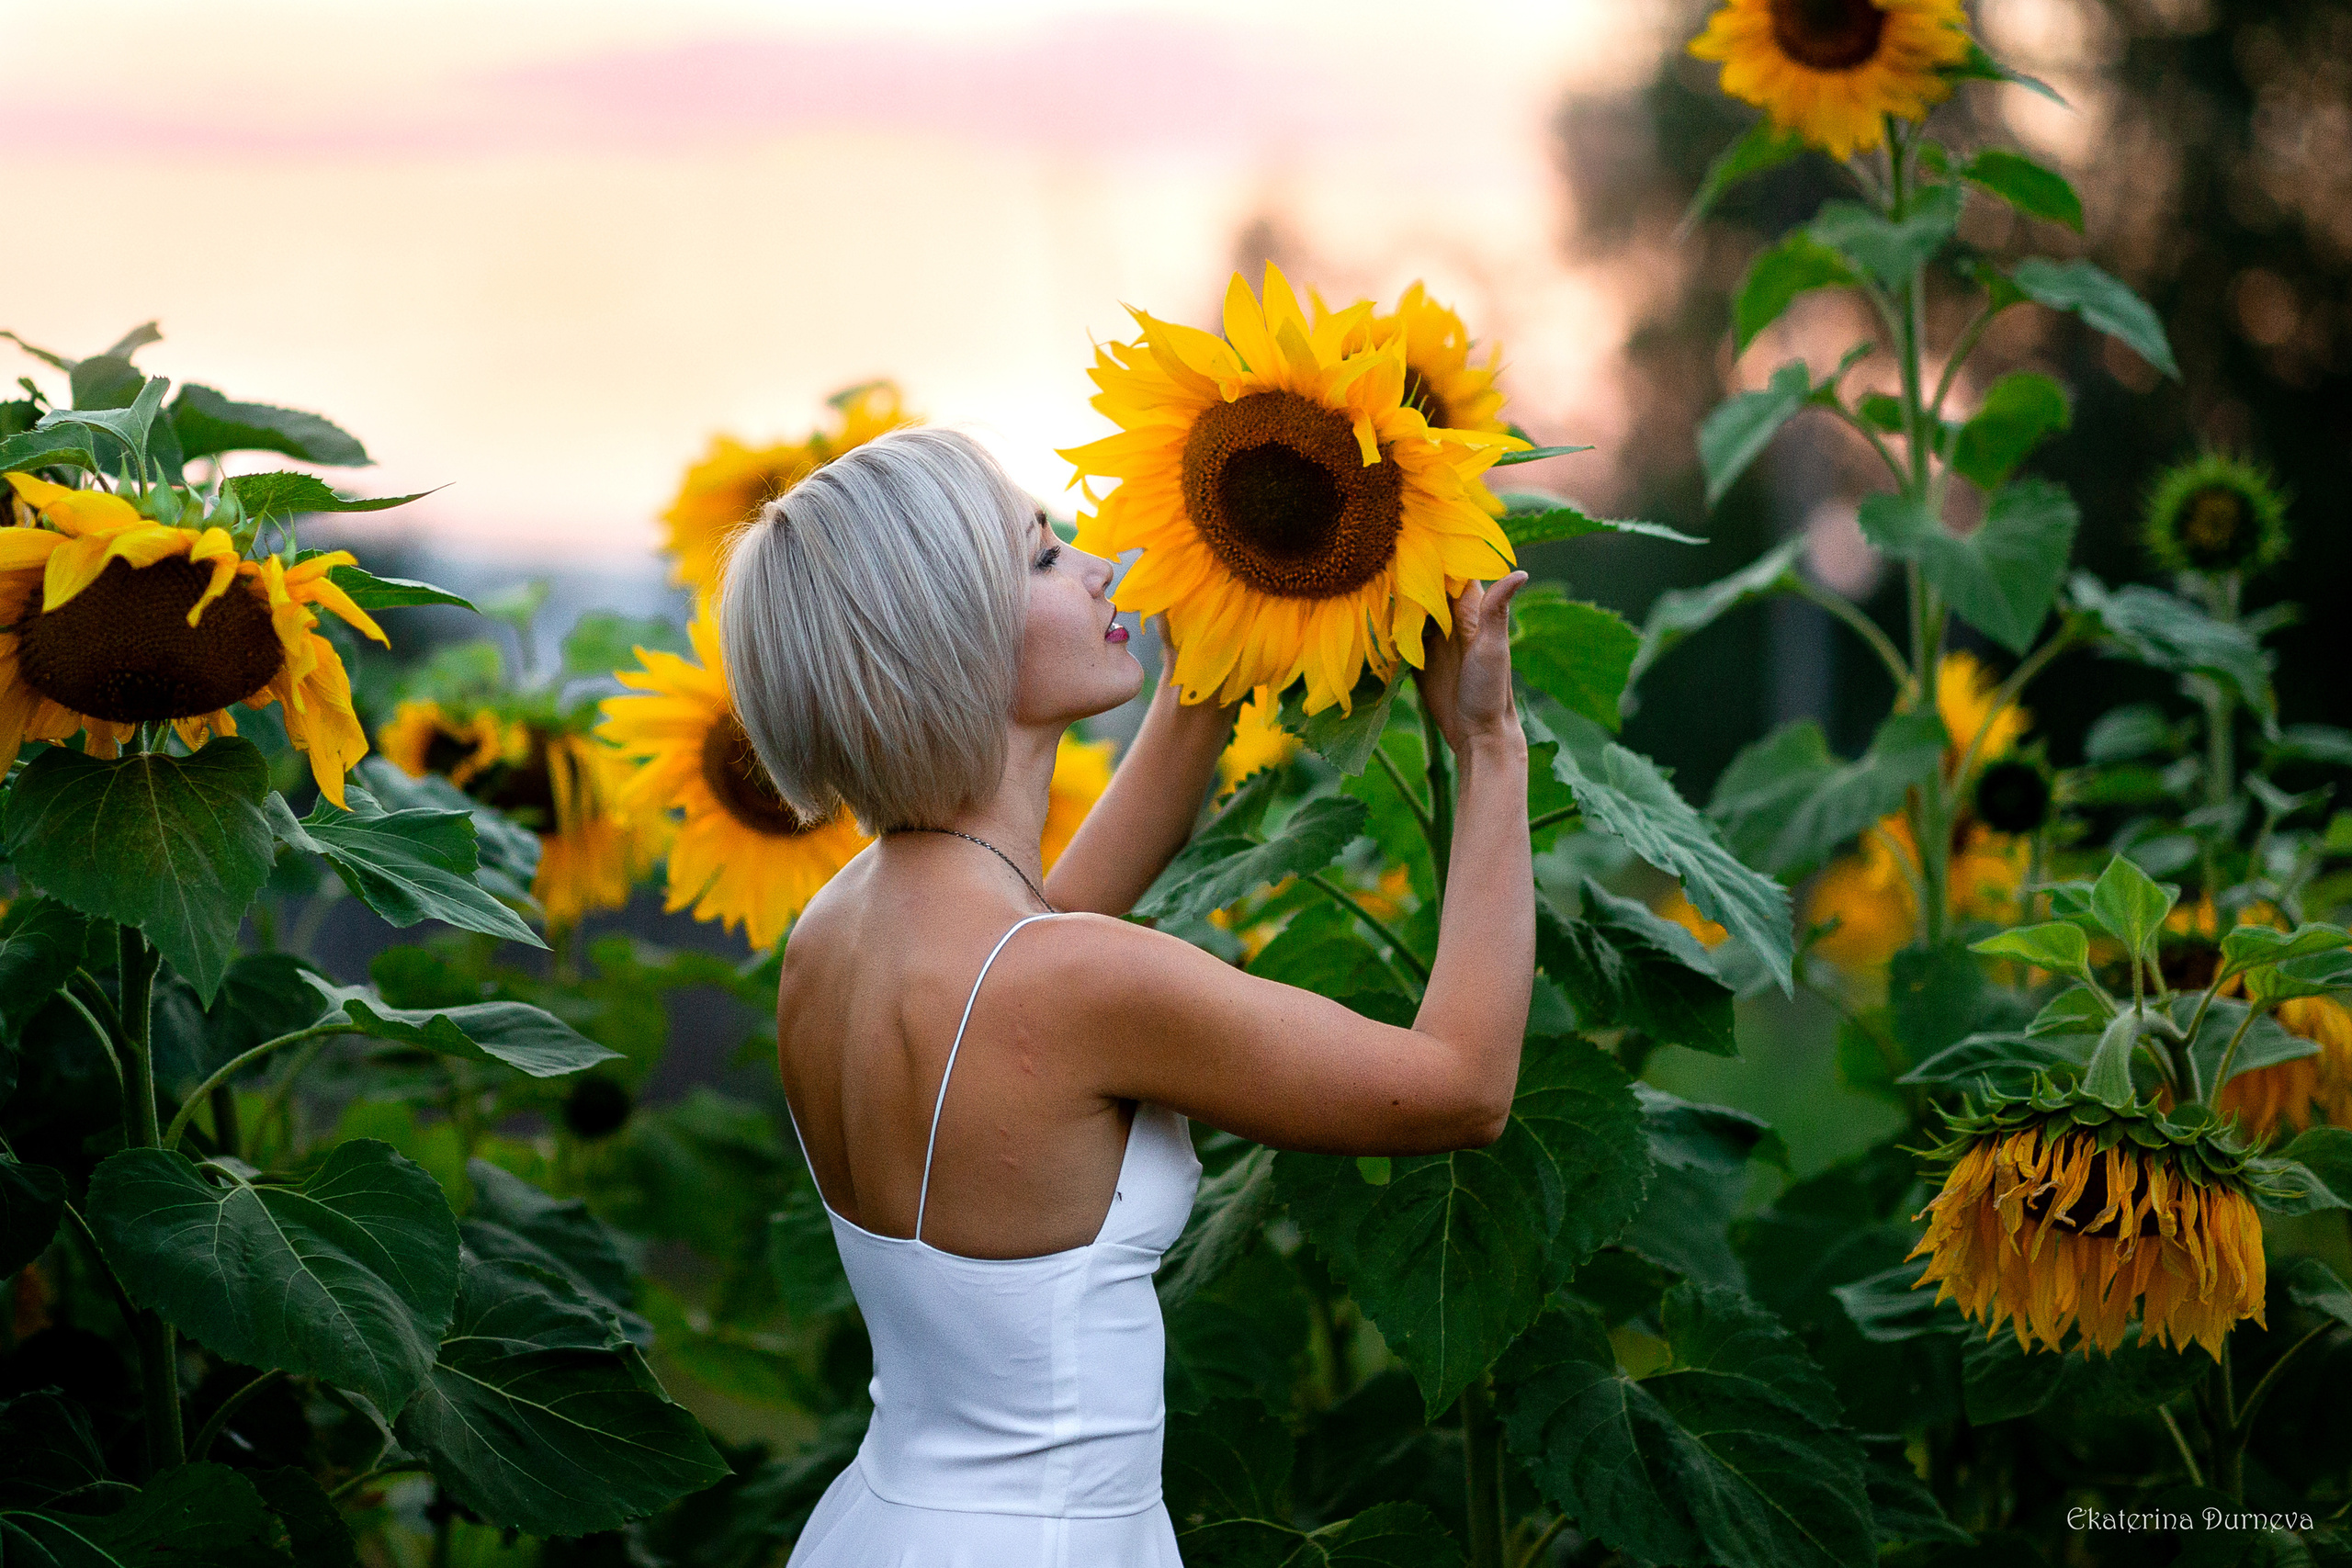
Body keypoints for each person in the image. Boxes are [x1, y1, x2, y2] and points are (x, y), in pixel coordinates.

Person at [718, 427, 1532, 1567]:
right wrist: (1490, 745)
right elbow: (1461, 1088)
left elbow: (1043, 921)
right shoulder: (1067, 982)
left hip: (883, 1526)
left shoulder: (843, 931)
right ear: (948, 641)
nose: (1099, 566)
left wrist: (1212, 664)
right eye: (1045, 557)